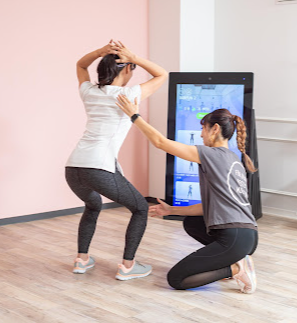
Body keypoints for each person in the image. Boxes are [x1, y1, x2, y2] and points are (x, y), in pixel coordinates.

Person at [115, 96, 259, 294]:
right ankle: (235, 259)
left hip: (233, 237)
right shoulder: (233, 158)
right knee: (191, 222)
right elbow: (210, 207)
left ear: (215, 129)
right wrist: (172, 209)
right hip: (248, 236)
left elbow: (160, 142)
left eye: (203, 129)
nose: (200, 135)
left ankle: (235, 267)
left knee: (176, 278)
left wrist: (134, 115)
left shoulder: (211, 154)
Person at [65, 40, 167, 280]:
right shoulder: (129, 94)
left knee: (93, 205)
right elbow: (162, 74)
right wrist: (134, 56)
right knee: (140, 208)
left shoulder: (89, 91)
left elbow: (81, 64)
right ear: (128, 69)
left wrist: (101, 52)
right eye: (132, 67)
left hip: (73, 166)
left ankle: (81, 260)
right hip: (97, 168)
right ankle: (128, 266)